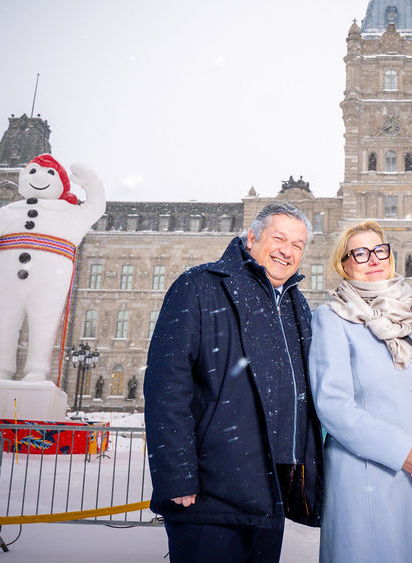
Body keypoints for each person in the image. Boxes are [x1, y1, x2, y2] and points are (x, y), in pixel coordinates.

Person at [143, 203, 324, 563]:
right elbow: (167, 386)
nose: (287, 251)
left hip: (270, 491)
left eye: (298, 245)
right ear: (252, 237)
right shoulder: (200, 285)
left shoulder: (297, 306)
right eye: (279, 238)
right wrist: (178, 475)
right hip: (209, 493)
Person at [309, 221, 412, 563]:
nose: (372, 259)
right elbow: (333, 404)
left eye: (379, 250)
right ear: (343, 264)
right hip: (369, 477)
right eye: (359, 253)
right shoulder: (332, 318)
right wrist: (400, 450)